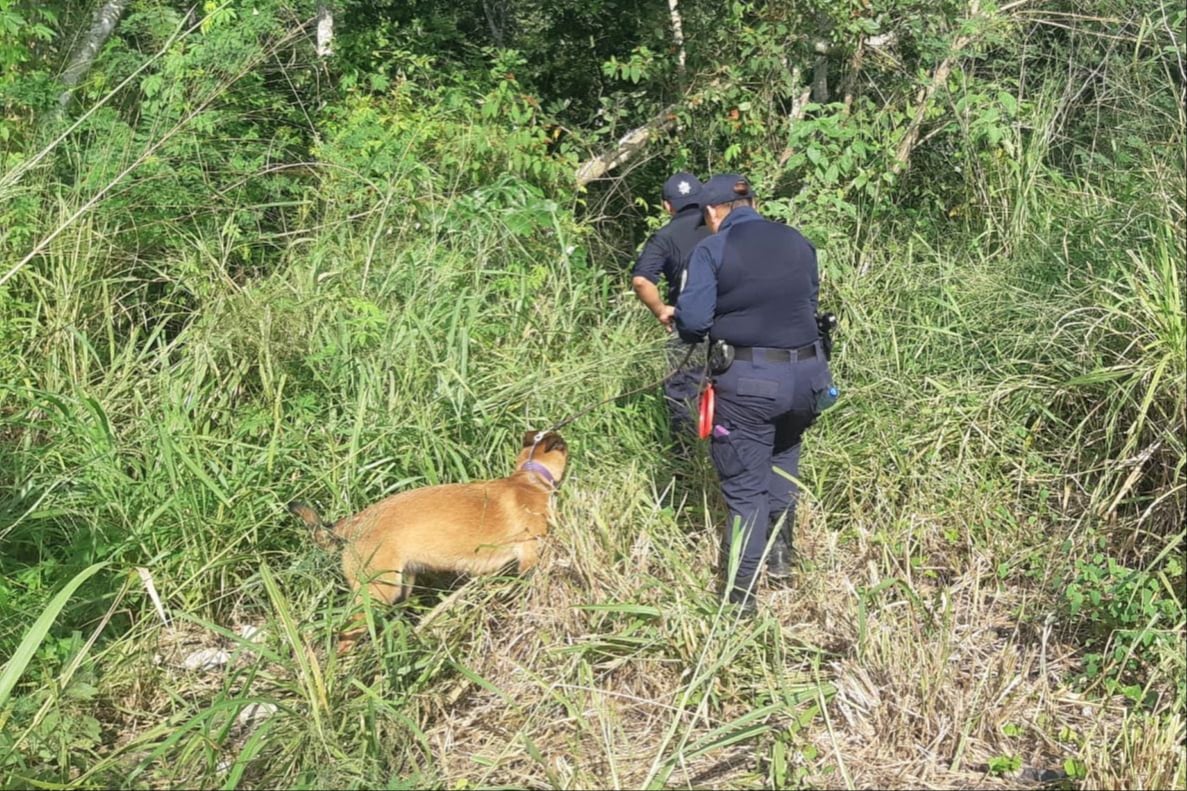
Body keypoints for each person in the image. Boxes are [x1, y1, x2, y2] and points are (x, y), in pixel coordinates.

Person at [675, 173, 834, 615]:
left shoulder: (712, 249)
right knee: (783, 460)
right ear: (753, 203)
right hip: (808, 376)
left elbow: (692, 323)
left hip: (749, 383)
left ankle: (738, 603)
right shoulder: (799, 242)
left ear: (712, 212)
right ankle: (781, 560)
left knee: (746, 490)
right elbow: (807, 302)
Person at [631, 172, 711, 445]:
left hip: (689, 326)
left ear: (667, 206)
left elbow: (642, 281)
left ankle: (688, 463)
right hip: (733, 322)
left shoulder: (663, 237)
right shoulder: (721, 227)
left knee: (685, 394)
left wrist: (661, 310)